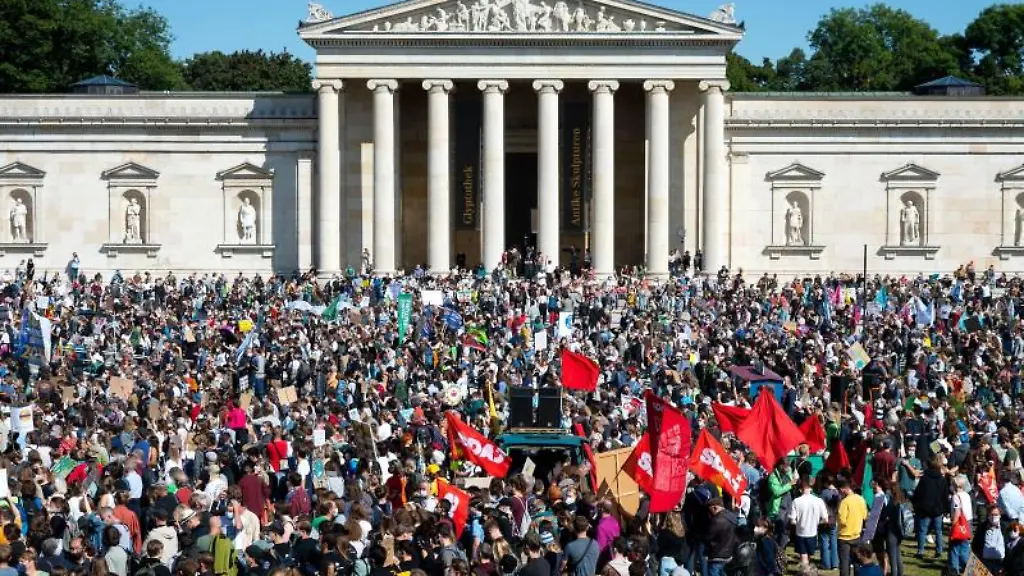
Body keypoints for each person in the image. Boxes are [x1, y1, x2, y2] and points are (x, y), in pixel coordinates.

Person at [789, 478, 828, 566]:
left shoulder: (796, 501)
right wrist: (817, 523)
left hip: (800, 533)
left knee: (803, 557)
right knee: (808, 557)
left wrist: (799, 523)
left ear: (800, 489)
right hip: (813, 532)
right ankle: (807, 569)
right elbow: (825, 519)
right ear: (811, 488)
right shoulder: (819, 501)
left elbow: (792, 521)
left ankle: (804, 569)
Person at [836, 477, 867, 576]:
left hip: (844, 537)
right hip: (856, 535)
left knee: (844, 563)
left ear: (842, 489)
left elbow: (842, 520)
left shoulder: (844, 502)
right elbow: (865, 516)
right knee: (857, 561)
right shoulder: (861, 499)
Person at [705, 498, 737, 576]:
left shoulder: (717, 520)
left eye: (710, 510)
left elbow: (708, 537)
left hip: (717, 555)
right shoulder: (733, 516)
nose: (710, 513)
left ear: (714, 508)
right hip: (729, 554)